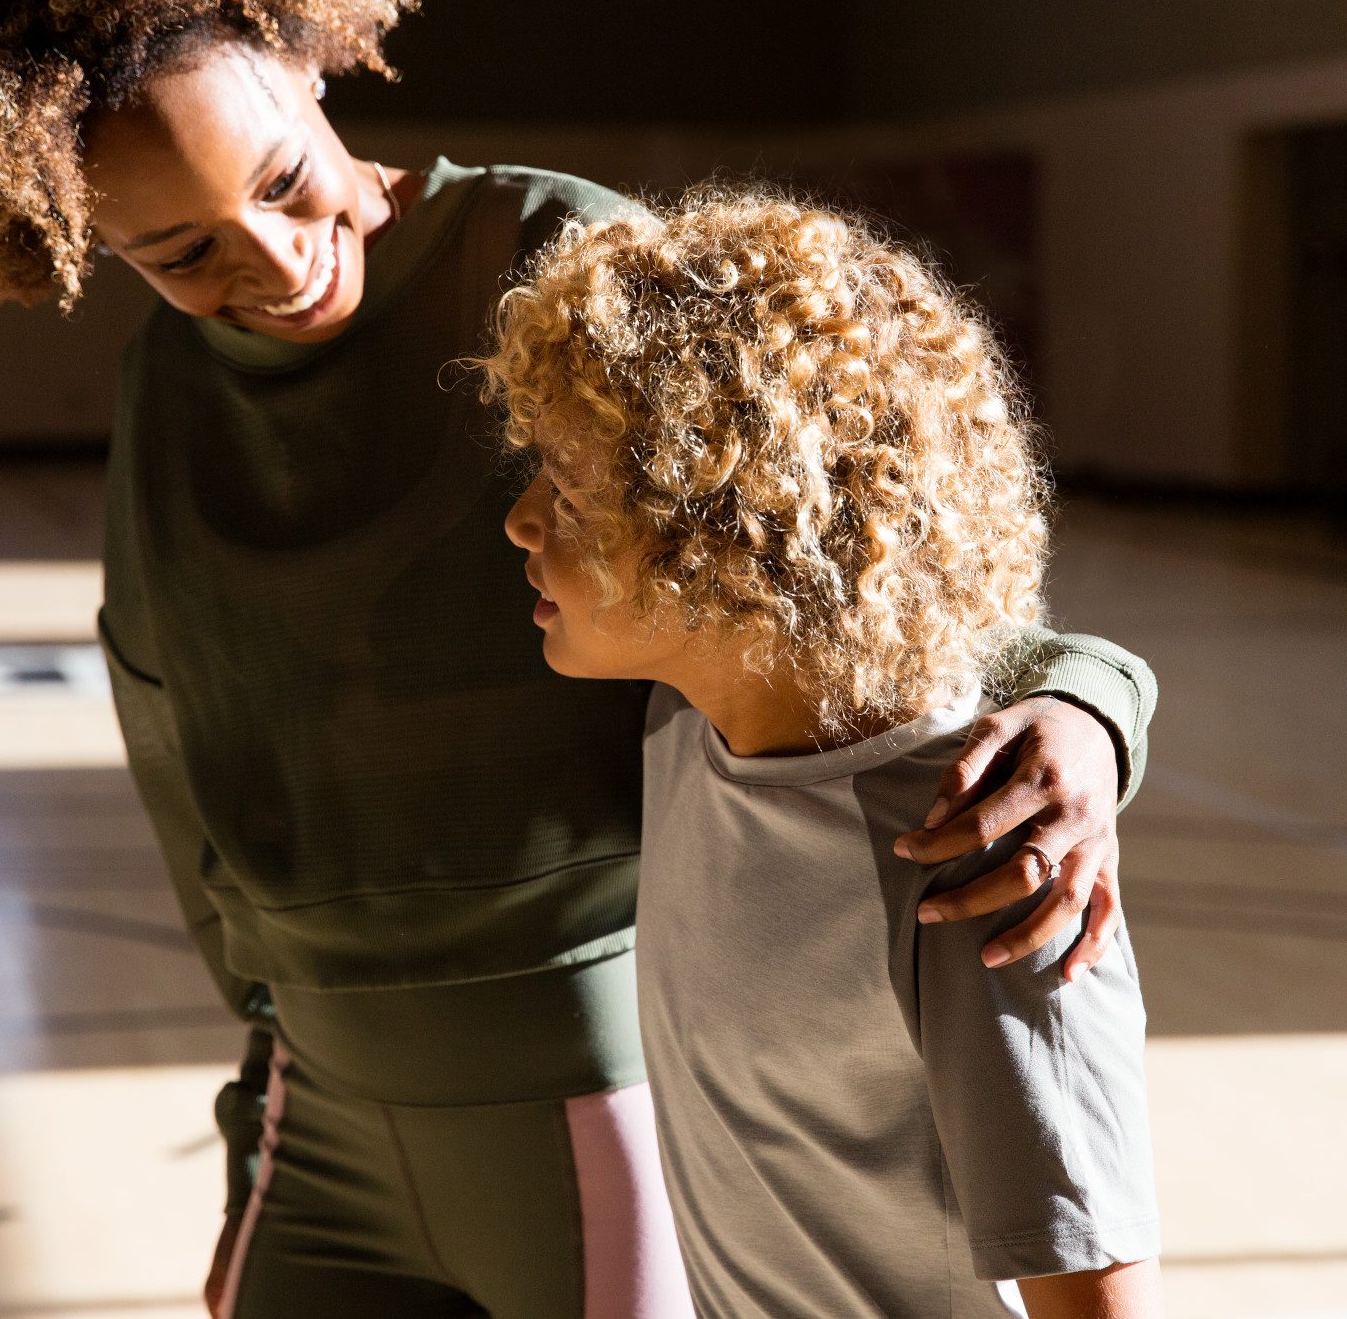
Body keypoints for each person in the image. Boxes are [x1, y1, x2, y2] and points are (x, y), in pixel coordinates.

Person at [0, 0, 1159, 1313]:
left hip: (581, 1080)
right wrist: (256, 1126)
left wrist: (1087, 703)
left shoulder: (552, 248)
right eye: (181, 254)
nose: (277, 259)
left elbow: (846, 524)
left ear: (307, 60)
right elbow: (203, 801)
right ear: (82, 235)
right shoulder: (164, 393)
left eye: (286, 182)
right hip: (320, 1102)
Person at [488, 188, 1164, 1316]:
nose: (518, 521)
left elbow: (1096, 1300)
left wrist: (1090, 710)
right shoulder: (681, 725)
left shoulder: (978, 849)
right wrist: (1096, 692)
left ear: (725, 531)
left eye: (563, 489)